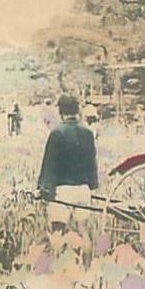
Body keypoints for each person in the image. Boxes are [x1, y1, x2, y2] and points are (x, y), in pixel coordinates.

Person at [37, 95, 99, 232]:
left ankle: (60, 254)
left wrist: (43, 188)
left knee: (58, 233)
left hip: (62, 190)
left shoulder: (57, 133)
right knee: (83, 232)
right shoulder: (88, 133)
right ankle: (88, 254)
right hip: (83, 189)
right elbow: (92, 162)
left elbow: (49, 164)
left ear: (60, 112)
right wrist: (93, 184)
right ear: (78, 111)